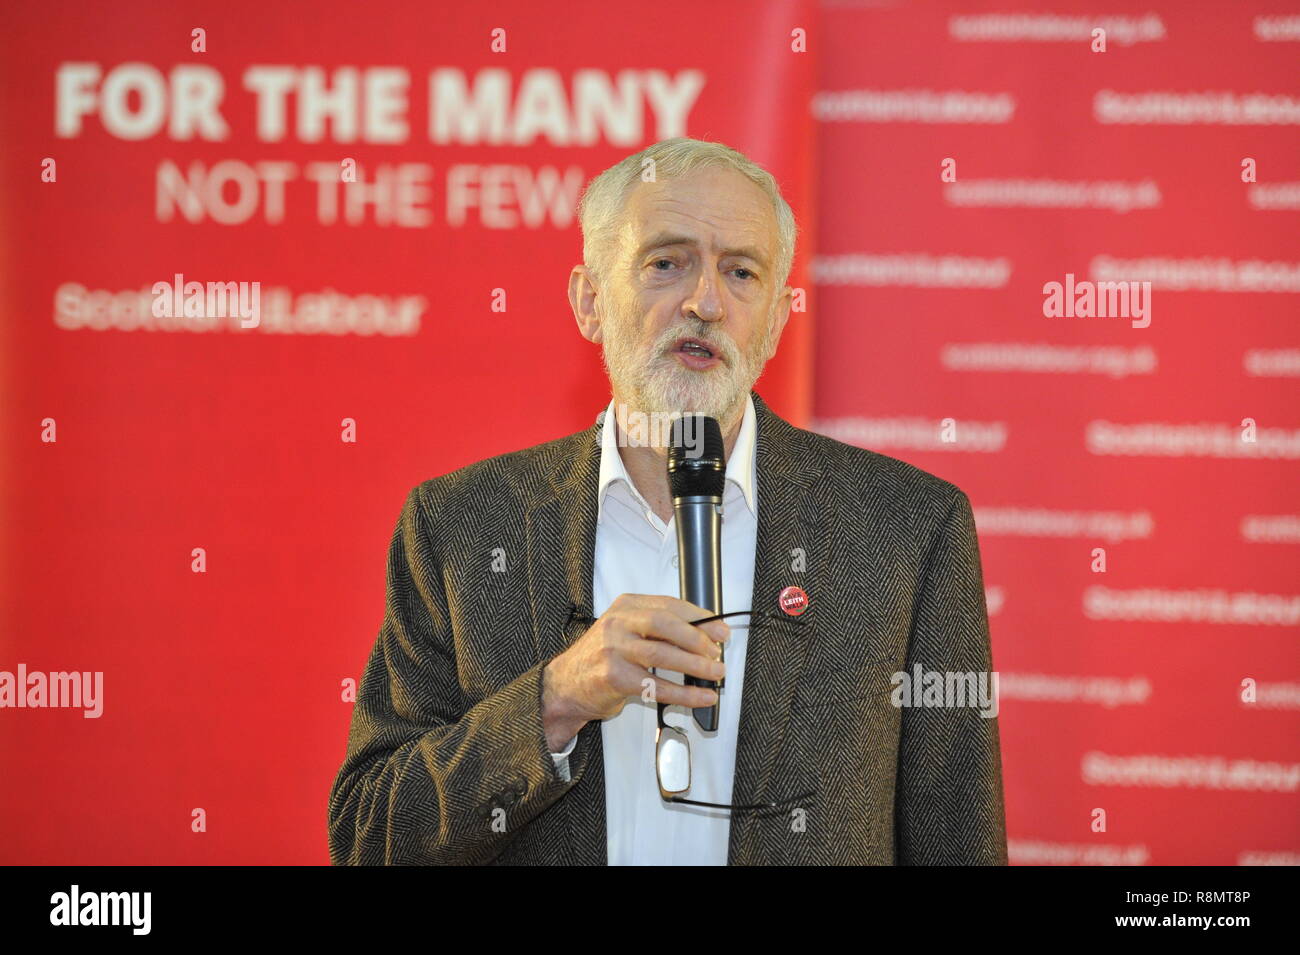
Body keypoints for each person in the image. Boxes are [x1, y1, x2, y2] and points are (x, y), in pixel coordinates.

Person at [326, 137, 1008, 865]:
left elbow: (958, 841)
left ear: (776, 319)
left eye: (740, 272)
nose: (705, 302)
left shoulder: (905, 531)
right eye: (666, 262)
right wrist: (553, 701)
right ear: (589, 300)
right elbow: (370, 836)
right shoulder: (461, 525)